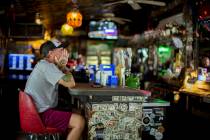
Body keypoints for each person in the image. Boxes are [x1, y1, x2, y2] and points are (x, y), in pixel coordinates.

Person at [24, 38, 85, 140]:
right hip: (41, 115)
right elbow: (70, 83)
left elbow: (62, 77)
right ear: (50, 53)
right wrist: (64, 67)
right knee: (80, 121)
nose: (65, 53)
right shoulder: (47, 66)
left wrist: (61, 66)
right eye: (61, 50)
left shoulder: (45, 65)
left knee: (77, 112)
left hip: (38, 112)